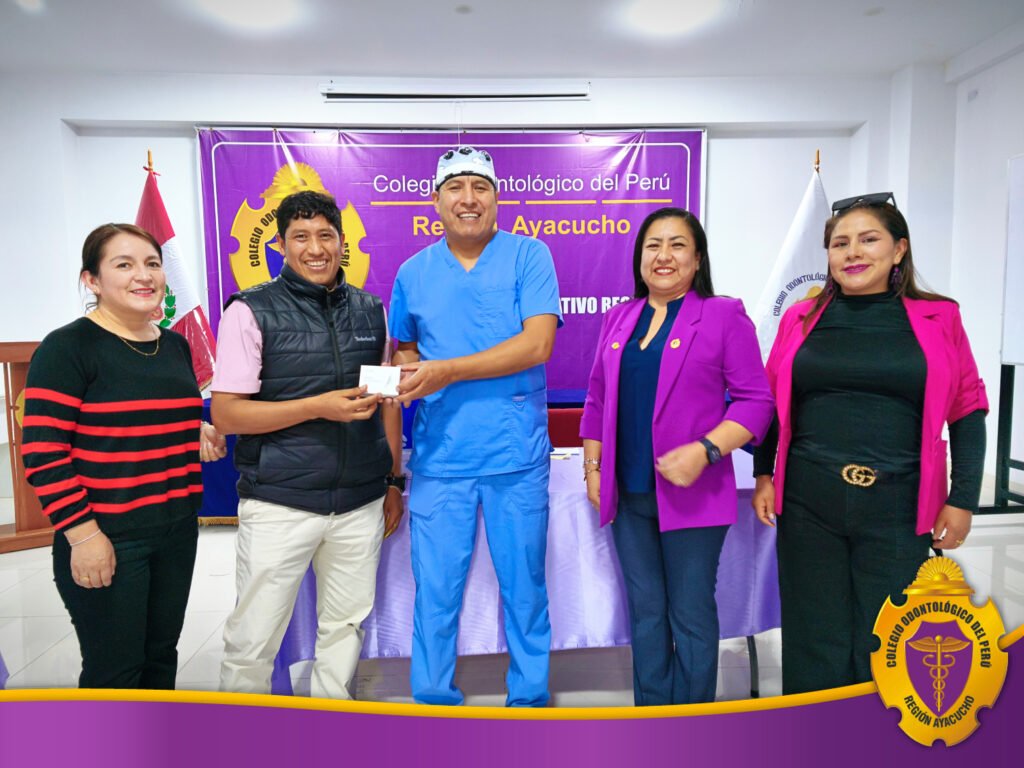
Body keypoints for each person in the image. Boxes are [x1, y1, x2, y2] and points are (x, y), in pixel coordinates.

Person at [751, 193, 988, 695]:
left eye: (868, 239)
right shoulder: (800, 318)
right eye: (840, 243)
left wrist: (963, 498)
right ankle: (814, 729)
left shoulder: (940, 317)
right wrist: (764, 473)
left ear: (899, 249)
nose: (852, 252)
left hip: (898, 503)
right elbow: (773, 402)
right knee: (814, 635)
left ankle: (876, 732)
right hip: (808, 499)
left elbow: (967, 408)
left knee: (888, 635)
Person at [212, 190, 404, 699]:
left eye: (325, 235)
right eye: (300, 237)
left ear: (342, 242)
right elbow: (226, 414)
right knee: (253, 640)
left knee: (345, 630)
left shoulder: (372, 310)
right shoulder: (249, 311)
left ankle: (330, 727)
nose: (315, 249)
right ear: (279, 244)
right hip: (279, 502)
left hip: (359, 503)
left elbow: (387, 402)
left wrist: (392, 481)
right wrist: (317, 406)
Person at [389, 147, 562, 707]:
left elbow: (537, 344)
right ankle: (433, 699)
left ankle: (529, 701)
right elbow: (405, 350)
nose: (468, 199)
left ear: (496, 197)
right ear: (436, 201)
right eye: (455, 187)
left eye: (480, 187)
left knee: (525, 591)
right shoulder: (413, 273)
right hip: (441, 458)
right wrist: (408, 372)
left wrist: (447, 370)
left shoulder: (529, 256)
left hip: (515, 457)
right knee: (435, 594)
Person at [579, 207, 773, 705]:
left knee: (689, 614)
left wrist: (706, 450)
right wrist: (593, 468)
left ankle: (691, 724)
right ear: (639, 258)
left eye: (677, 244)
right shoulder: (619, 317)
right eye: (653, 245)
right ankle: (651, 717)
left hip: (694, 495)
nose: (663, 255)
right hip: (628, 496)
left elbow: (756, 403)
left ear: (698, 258)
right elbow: (598, 399)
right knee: (645, 613)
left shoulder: (723, 315)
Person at [22, 223, 226, 689]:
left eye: (152, 263)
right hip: (107, 534)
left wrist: (196, 432)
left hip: (176, 530)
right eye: (124, 264)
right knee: (115, 671)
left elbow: (152, 416)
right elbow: (43, 453)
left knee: (160, 658)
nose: (144, 275)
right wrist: (83, 536)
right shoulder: (68, 347)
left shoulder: (173, 345)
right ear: (91, 280)